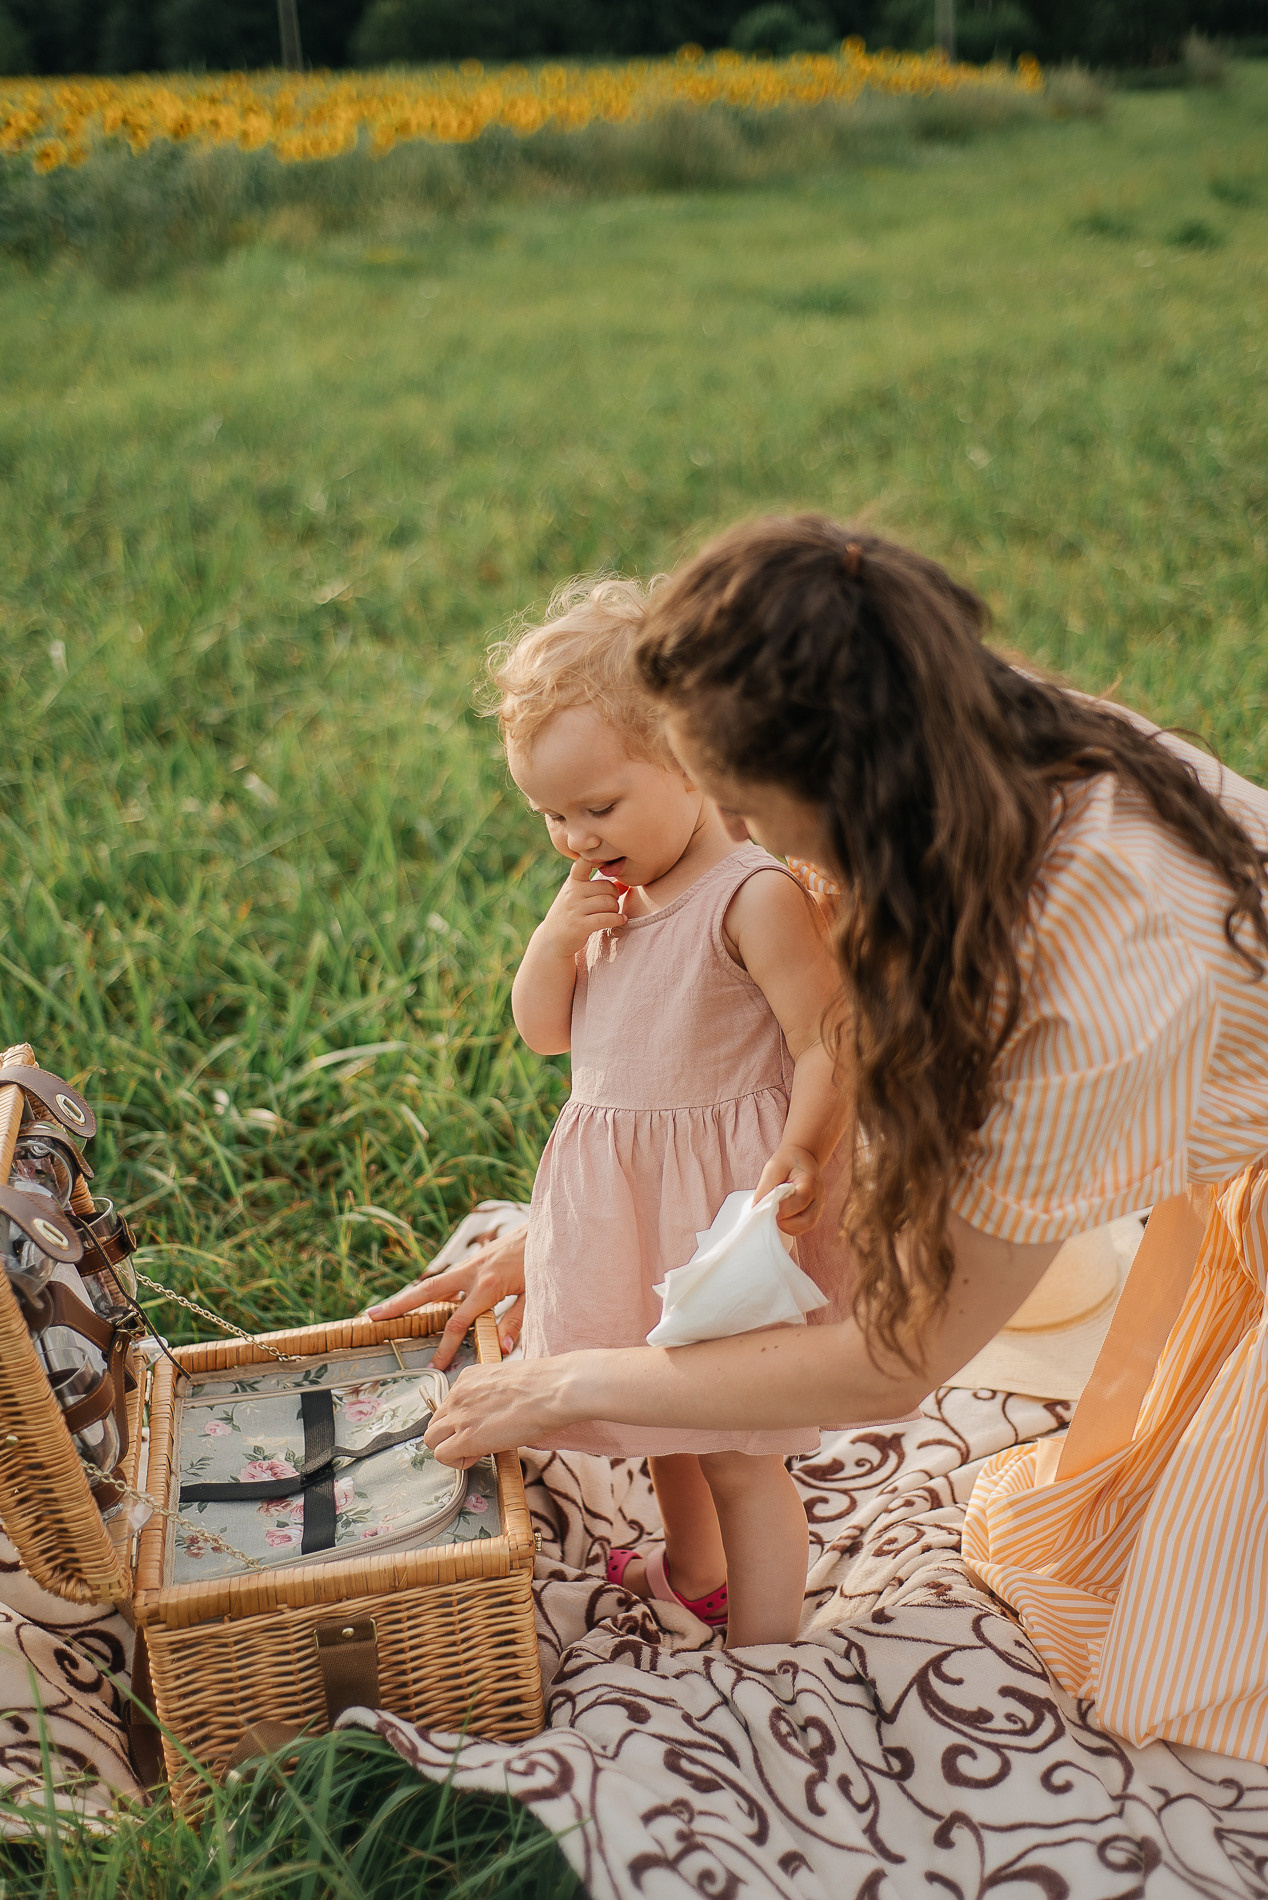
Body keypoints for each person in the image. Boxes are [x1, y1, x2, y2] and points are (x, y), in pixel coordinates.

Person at [406, 513, 1268, 1757]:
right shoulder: (940, 732)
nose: (731, 832)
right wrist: (566, 1237)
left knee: (1183, 1639)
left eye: (745, 804)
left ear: (843, 782)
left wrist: (566, 1379)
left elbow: (894, 1362)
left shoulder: (1094, 983)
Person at [404, 577, 849, 1647]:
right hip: (633, 1212)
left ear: (694, 763)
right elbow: (544, 1032)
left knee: (736, 1449)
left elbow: (826, 1038)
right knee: (663, 1417)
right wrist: (552, 941)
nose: (571, 837)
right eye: (549, 815)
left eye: (596, 808)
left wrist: (804, 1144)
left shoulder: (749, 896)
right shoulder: (603, 895)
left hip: (720, 1214)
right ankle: (695, 1570)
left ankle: (768, 1651)